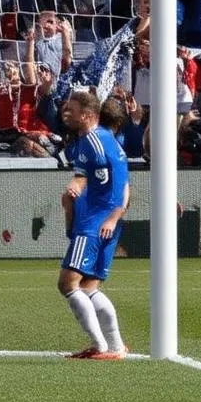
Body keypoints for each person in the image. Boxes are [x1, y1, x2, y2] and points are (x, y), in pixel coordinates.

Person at [58, 90, 130, 360]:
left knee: (67, 284)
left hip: (93, 225)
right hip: (106, 222)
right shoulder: (106, 140)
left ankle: (100, 346)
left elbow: (101, 182)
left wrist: (110, 214)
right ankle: (116, 346)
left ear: (87, 116)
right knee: (89, 288)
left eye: (71, 110)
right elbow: (121, 185)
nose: (67, 113)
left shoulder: (93, 144)